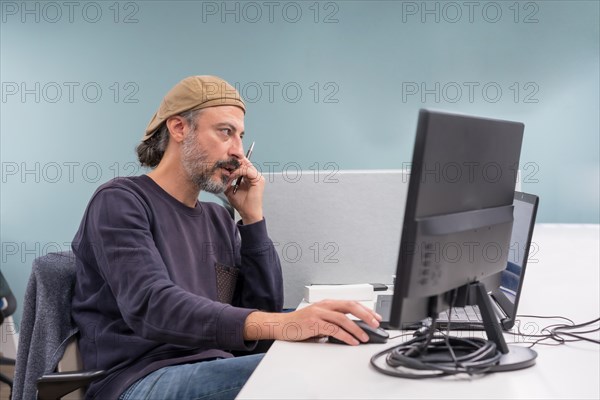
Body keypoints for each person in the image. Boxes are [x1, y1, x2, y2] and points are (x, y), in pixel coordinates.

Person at [71, 75, 381, 400]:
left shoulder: (219, 219)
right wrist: (282, 323)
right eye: (225, 132)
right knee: (305, 372)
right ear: (179, 128)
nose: (237, 152)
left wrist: (252, 220)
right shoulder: (120, 201)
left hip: (214, 367)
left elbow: (258, 325)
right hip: (140, 380)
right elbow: (152, 306)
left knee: (333, 359)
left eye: (241, 136)